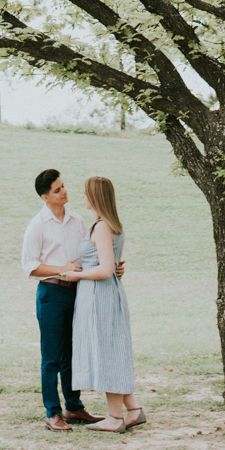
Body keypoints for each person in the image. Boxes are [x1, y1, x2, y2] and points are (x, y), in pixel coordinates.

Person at [59, 175, 145, 433]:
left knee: (108, 352)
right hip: (104, 294)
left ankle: (115, 418)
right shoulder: (106, 224)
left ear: (95, 197)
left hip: (100, 296)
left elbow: (106, 269)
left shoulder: (102, 227)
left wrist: (77, 275)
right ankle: (134, 410)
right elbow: (109, 263)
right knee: (113, 350)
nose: (82, 197)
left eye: (86, 193)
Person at [21, 169, 104, 431]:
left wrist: (111, 266)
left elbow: (88, 253)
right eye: (57, 190)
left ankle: (74, 407)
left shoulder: (77, 220)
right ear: (45, 197)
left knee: (73, 353)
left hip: (77, 293)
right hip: (52, 295)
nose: (64, 192)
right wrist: (61, 269)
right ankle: (53, 413)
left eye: (63, 186)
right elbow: (30, 266)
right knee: (52, 357)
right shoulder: (38, 225)